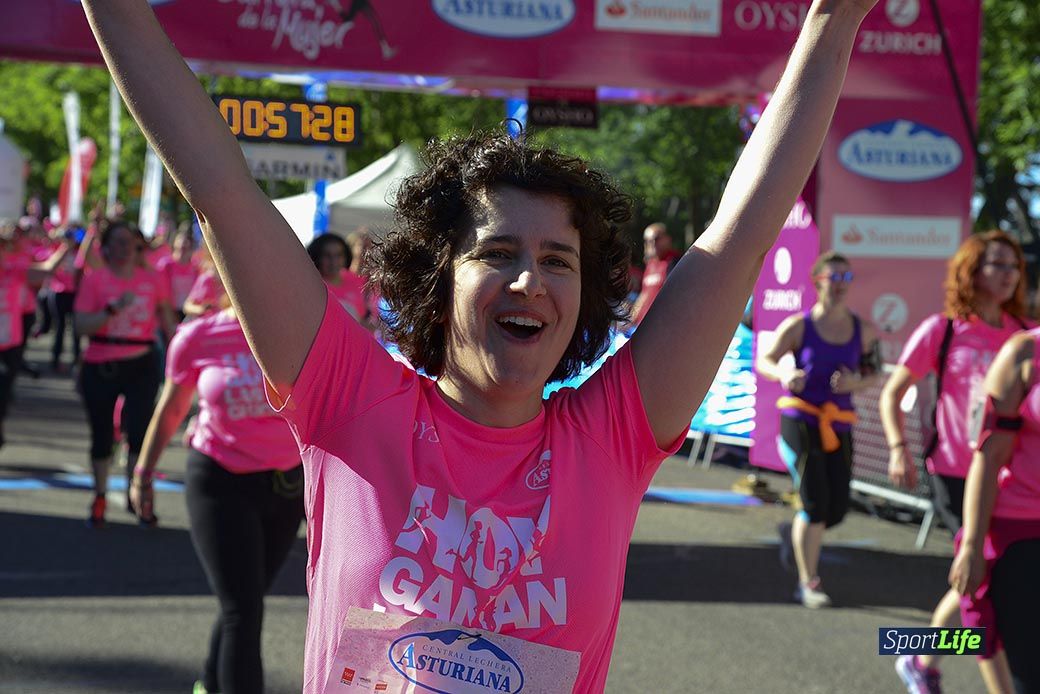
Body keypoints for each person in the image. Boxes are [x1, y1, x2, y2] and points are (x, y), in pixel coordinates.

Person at [83, 0, 878, 690]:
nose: (531, 280)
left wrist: (830, 19)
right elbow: (218, 187)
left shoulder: (610, 437)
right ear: (440, 277)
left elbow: (738, 239)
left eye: (557, 261)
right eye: (498, 254)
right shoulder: (350, 398)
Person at [880, 231, 1027, 694]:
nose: (1009, 274)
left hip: (1006, 478)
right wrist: (898, 448)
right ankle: (925, 658)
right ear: (972, 270)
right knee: (979, 574)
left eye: (1015, 266)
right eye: (998, 264)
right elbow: (893, 393)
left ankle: (918, 655)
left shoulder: (1022, 336)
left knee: (978, 576)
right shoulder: (942, 330)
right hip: (953, 473)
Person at [133, 299, 304, 694]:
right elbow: (172, 408)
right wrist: (143, 475)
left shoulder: (299, 331)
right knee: (243, 609)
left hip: (286, 484)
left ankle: (210, 683)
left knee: (244, 601)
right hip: (219, 480)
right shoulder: (197, 337)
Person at [755, 251, 880, 608]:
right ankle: (808, 583)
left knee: (836, 509)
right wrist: (785, 374)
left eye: (846, 278)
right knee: (814, 504)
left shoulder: (863, 330)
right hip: (801, 419)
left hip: (838, 424)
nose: (840, 285)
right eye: (833, 278)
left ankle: (791, 535)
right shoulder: (800, 325)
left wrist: (855, 383)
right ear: (818, 281)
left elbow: (875, 372)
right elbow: (765, 359)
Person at [949, 328, 1040, 694]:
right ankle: (917, 652)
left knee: (967, 607)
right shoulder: (1025, 351)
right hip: (1018, 527)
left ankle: (920, 654)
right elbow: (988, 458)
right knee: (976, 613)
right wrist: (971, 544)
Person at [74, 218, 176, 527]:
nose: (122, 248)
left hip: (142, 361)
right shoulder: (96, 280)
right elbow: (81, 326)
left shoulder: (154, 279)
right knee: (103, 434)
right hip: (101, 362)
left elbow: (168, 321)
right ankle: (100, 495)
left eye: (128, 242)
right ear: (105, 247)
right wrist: (112, 310)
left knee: (139, 431)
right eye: (116, 242)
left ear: (137, 247)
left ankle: (137, 495)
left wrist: (180, 351)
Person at [306, 233, 366, 322]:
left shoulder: (357, 281)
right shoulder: (310, 286)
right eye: (327, 255)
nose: (334, 261)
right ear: (317, 257)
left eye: (339, 255)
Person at [629, 222, 680, 326]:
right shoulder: (651, 264)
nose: (651, 243)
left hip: (661, 326)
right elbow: (644, 294)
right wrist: (631, 319)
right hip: (641, 326)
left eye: (656, 239)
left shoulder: (675, 262)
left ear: (667, 238)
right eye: (647, 241)